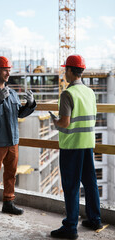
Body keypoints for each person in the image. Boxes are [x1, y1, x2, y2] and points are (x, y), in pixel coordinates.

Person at [50, 55, 102, 239]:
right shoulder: (90, 92)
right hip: (87, 144)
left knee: (71, 186)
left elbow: (64, 123)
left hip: (72, 146)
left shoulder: (67, 94)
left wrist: (54, 121)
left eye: (66, 70)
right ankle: (95, 219)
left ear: (71, 71)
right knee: (90, 183)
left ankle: (71, 227)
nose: (64, 73)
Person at [0, 56, 36, 221]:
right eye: (5, 70)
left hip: (13, 141)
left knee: (11, 173)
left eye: (9, 70)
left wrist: (30, 105)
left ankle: (8, 203)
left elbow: (19, 114)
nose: (8, 73)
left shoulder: (12, 93)